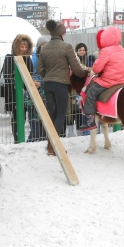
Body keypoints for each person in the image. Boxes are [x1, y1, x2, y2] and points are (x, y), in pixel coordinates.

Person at [38, 20, 87, 153]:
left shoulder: (44, 48)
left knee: (52, 114)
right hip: (61, 85)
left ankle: (50, 145)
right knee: (60, 115)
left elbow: (40, 69)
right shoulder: (67, 47)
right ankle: (54, 147)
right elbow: (76, 68)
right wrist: (85, 73)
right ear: (61, 34)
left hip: (48, 85)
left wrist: (49, 76)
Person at [81, 26, 124, 131]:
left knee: (91, 93)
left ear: (105, 38)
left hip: (109, 81)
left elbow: (96, 69)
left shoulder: (105, 51)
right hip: (122, 80)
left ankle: (90, 121)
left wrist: (94, 68)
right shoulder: (121, 49)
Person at [2, 34, 35, 143]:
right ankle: (17, 139)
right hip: (13, 92)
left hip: (25, 92)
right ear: (16, 46)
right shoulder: (9, 57)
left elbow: (30, 74)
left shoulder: (28, 58)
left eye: (26, 47)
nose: (24, 49)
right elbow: (6, 75)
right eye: (22, 47)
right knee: (16, 116)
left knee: (24, 116)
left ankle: (21, 138)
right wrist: (18, 80)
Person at [26, 36, 48, 142]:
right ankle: (30, 144)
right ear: (39, 46)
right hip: (34, 94)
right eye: (43, 45)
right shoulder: (33, 58)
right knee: (35, 125)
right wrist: (35, 82)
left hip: (45, 94)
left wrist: (42, 82)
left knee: (44, 125)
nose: (44, 47)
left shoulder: (50, 57)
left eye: (46, 45)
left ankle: (39, 143)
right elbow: (30, 74)